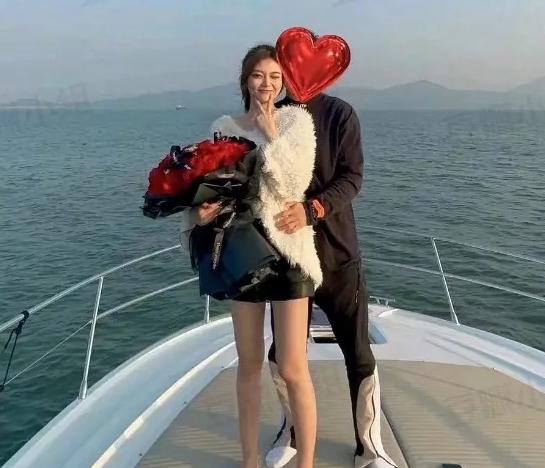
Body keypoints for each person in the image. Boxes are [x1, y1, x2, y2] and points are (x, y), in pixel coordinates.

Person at [183, 44, 321, 468]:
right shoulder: (223, 128)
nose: (267, 84)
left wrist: (270, 130)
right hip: (241, 252)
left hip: (289, 252)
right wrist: (198, 214)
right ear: (245, 79)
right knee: (248, 363)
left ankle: (306, 463)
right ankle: (249, 460)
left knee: (293, 367)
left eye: (276, 77)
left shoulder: (296, 121)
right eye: (259, 75)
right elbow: (209, 187)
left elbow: (296, 183)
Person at [264, 73, 398, 468]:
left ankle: (370, 447)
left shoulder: (340, 114)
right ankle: (290, 432)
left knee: (358, 352)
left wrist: (312, 209)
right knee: (282, 354)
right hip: (290, 258)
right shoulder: (273, 116)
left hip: (339, 256)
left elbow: (352, 177)